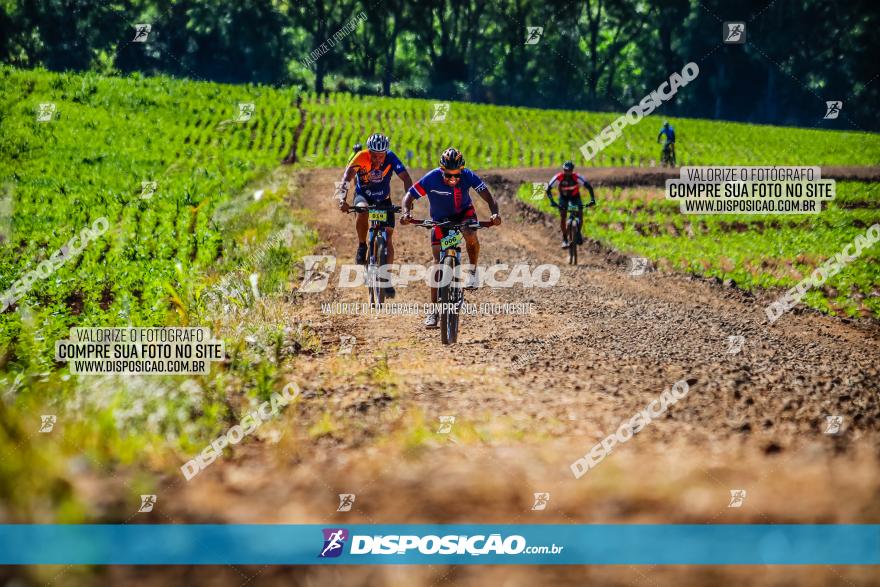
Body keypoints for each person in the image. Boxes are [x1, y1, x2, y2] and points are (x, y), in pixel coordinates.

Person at [401, 148, 501, 328]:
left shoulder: (468, 175)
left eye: (457, 176)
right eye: (448, 176)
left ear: (462, 170)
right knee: (436, 265)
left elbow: (489, 197)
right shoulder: (431, 178)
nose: (453, 180)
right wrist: (406, 212)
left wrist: (495, 214)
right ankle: (433, 311)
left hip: (464, 214)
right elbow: (409, 196)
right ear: (441, 170)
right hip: (440, 220)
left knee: (470, 233)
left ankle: (472, 272)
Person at [337, 133, 413, 298]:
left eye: (381, 155)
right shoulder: (361, 157)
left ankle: (386, 279)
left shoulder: (391, 157)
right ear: (368, 152)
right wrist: (342, 199)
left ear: (386, 153)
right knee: (362, 209)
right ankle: (362, 245)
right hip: (363, 196)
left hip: (383, 199)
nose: (377, 159)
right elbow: (345, 179)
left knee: (388, 236)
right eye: (374, 155)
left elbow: (406, 178)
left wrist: (409, 201)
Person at [545, 160, 595, 248]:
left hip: (575, 197)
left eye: (569, 170)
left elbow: (589, 187)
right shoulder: (558, 177)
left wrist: (592, 200)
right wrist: (552, 201)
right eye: (565, 170)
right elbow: (548, 189)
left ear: (572, 170)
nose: (567, 173)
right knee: (563, 216)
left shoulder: (577, 177)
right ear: (563, 170)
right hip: (563, 198)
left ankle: (578, 232)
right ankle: (564, 239)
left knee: (579, 213)